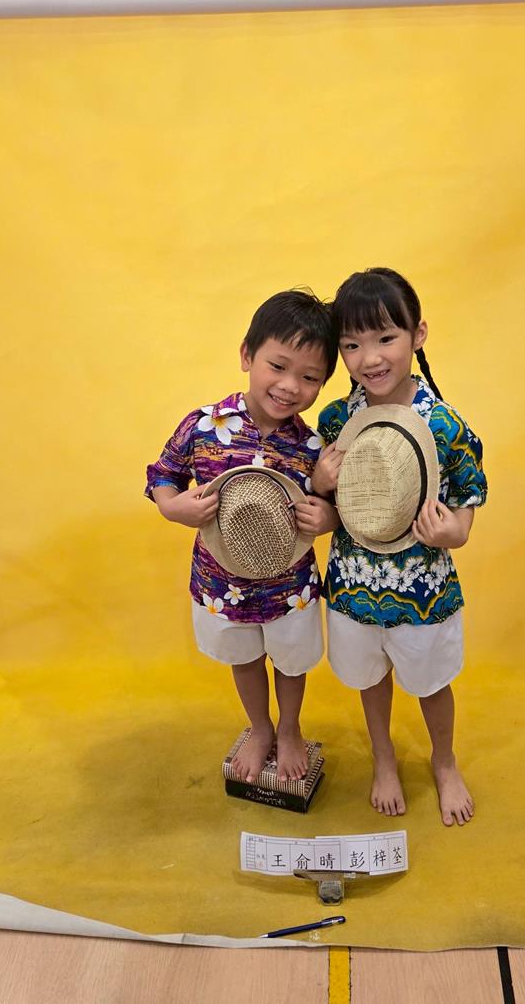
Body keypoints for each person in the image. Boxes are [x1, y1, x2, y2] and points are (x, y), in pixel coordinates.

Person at [313, 268, 487, 826]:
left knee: (431, 680)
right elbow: (328, 503)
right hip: (355, 578)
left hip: (421, 585)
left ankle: (444, 759)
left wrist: (451, 533)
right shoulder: (337, 419)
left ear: (418, 334)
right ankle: (383, 756)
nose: (370, 358)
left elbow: (465, 507)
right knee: (369, 676)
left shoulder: (444, 426)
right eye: (352, 345)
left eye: (386, 337)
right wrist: (319, 481)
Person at [145, 290, 338, 784]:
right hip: (221, 582)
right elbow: (164, 473)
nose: (290, 386)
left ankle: (290, 728)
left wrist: (328, 518)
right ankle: (260, 727)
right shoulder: (203, 426)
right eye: (278, 366)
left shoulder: (313, 447)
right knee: (244, 658)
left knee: (291, 662)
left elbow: (334, 506)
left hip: (289, 584)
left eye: (310, 377)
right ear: (248, 355)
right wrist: (172, 506)